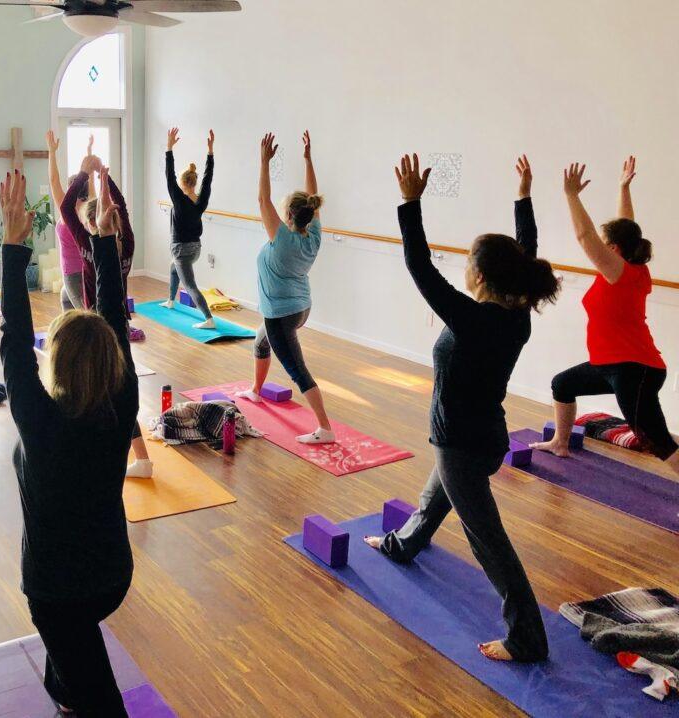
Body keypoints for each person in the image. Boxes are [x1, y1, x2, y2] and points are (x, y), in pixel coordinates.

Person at [365, 154, 561, 663]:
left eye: (470, 263)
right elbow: (526, 251)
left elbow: (419, 266)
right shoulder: (516, 316)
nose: (465, 269)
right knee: (434, 496)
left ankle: (526, 639)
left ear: (481, 275)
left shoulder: (474, 319)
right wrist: (523, 197)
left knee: (488, 543)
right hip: (483, 438)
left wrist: (410, 204)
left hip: (461, 444)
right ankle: (401, 545)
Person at [0, 166, 135, 717]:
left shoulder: (41, 421)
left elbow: (12, 332)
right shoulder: (120, 404)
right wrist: (102, 240)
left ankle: (80, 700)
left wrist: (13, 245)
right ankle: (67, 696)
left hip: (58, 591)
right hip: (111, 575)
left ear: (53, 363)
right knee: (73, 654)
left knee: (99, 695)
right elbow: (114, 325)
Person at [532, 158, 678, 475]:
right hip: (612, 364)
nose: (600, 245)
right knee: (562, 384)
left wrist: (571, 195)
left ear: (613, 248)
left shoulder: (619, 272)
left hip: (633, 368)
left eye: (606, 242)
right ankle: (560, 442)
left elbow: (585, 237)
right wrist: (623, 188)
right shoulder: (625, 267)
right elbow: (627, 224)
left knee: (656, 442)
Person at [235, 131, 335, 444]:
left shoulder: (283, 239)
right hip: (300, 307)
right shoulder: (313, 234)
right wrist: (308, 159)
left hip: (282, 313)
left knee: (297, 370)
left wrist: (264, 162)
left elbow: (262, 200)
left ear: (289, 215)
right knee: (260, 343)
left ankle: (325, 428)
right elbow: (312, 194)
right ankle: (255, 390)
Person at [61, 152, 155, 478]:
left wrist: (85, 175)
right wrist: (104, 180)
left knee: (102, 391)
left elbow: (64, 208)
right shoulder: (126, 245)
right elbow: (123, 208)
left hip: (97, 328)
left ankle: (133, 457)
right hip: (118, 324)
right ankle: (140, 458)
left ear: (90, 224)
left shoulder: (88, 248)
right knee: (120, 390)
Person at [160, 127, 217, 329]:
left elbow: (169, 175)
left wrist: (169, 148)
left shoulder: (179, 200)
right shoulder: (200, 201)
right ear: (194, 183)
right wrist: (210, 152)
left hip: (182, 250)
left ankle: (209, 319)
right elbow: (208, 179)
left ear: (183, 183)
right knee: (173, 268)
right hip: (196, 249)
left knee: (190, 285)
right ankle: (171, 300)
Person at [45, 130, 85, 311]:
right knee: (66, 301)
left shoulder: (66, 210)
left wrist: (52, 152)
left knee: (87, 315)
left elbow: (54, 180)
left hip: (73, 274)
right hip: (85, 270)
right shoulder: (90, 208)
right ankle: (68, 336)